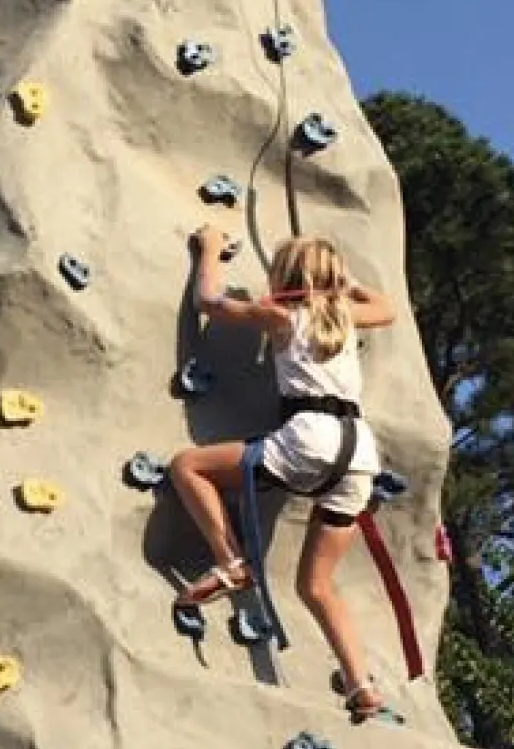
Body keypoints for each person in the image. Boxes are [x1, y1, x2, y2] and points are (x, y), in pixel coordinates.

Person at [169, 226, 397, 718]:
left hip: (309, 439)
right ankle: (361, 685)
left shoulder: (279, 315)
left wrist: (209, 250)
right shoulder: (350, 318)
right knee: (317, 585)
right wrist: (344, 286)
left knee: (189, 467)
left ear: (285, 279)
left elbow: (210, 302)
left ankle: (231, 562)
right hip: (358, 454)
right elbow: (388, 307)